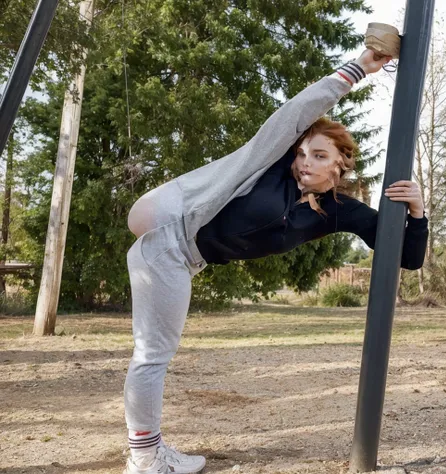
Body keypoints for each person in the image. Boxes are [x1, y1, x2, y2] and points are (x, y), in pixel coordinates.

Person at [123, 49, 428, 474]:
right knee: (152, 355)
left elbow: (408, 258)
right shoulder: (268, 167)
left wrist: (417, 211)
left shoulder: (340, 210)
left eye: (319, 156)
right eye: (302, 152)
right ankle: (145, 458)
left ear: (341, 163)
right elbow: (295, 113)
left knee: (154, 354)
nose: (305, 162)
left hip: (183, 259)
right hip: (167, 245)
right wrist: (357, 69)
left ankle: (146, 454)